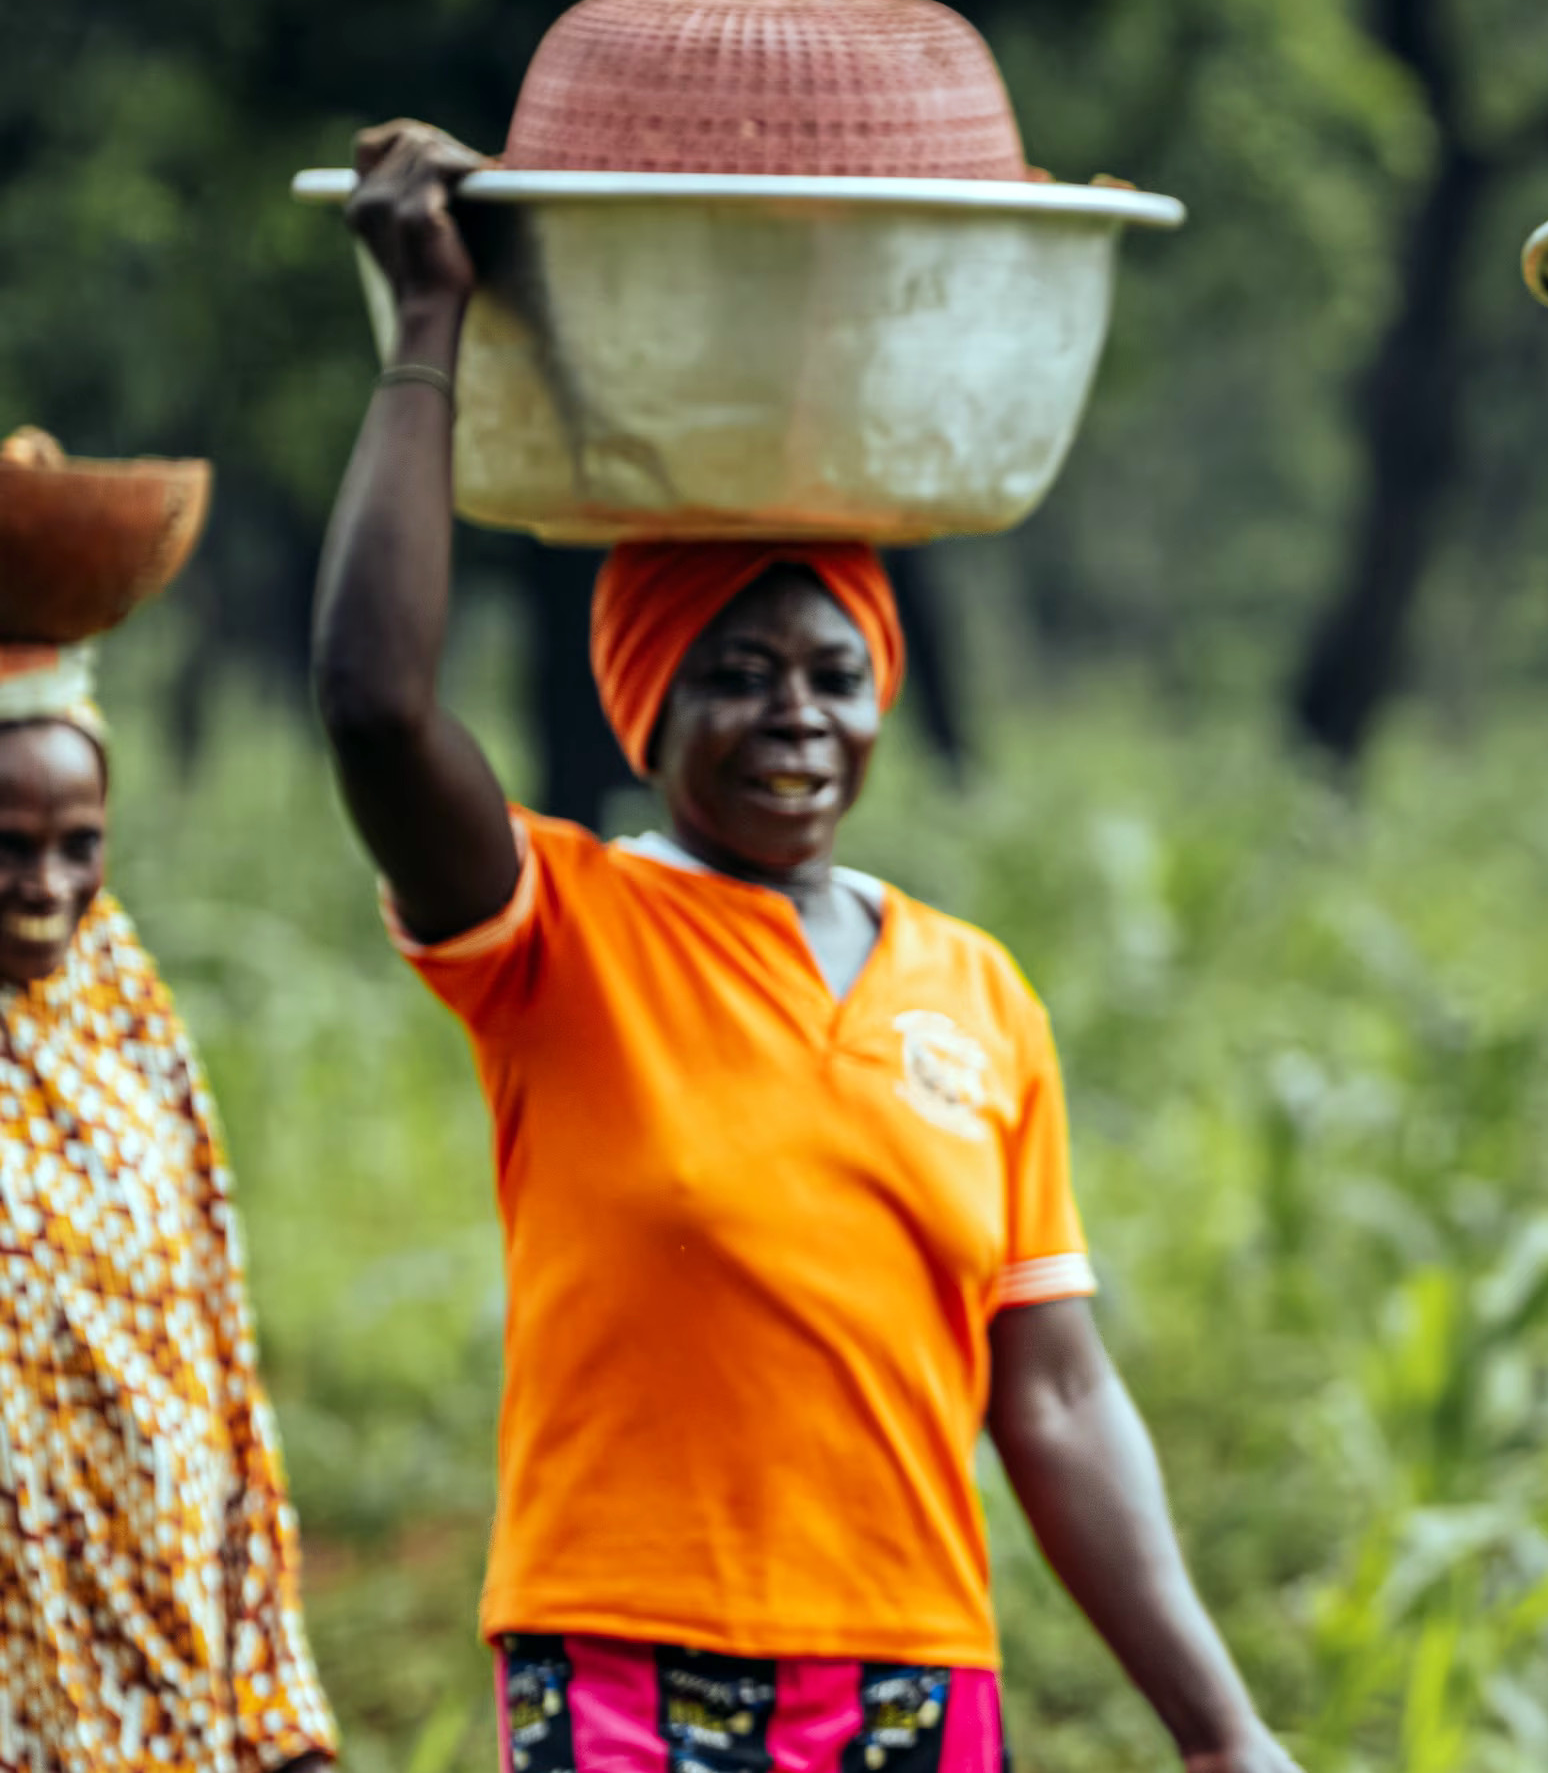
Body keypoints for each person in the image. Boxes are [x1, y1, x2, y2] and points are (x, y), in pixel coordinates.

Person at [318, 120, 1295, 1773]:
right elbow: (374, 705)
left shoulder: (975, 994)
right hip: (623, 1663)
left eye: (833, 673)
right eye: (736, 671)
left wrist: (1222, 1730)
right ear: (643, 705)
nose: (796, 717)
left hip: (912, 1676)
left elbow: (1051, 1395)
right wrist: (429, 328)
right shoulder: (560, 931)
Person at [0, 637, 343, 1773]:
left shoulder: (116, 1003)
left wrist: (275, 1702)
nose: (46, 885)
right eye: (5, 846)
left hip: (159, 1660)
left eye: (77, 843)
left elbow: (220, 1352)